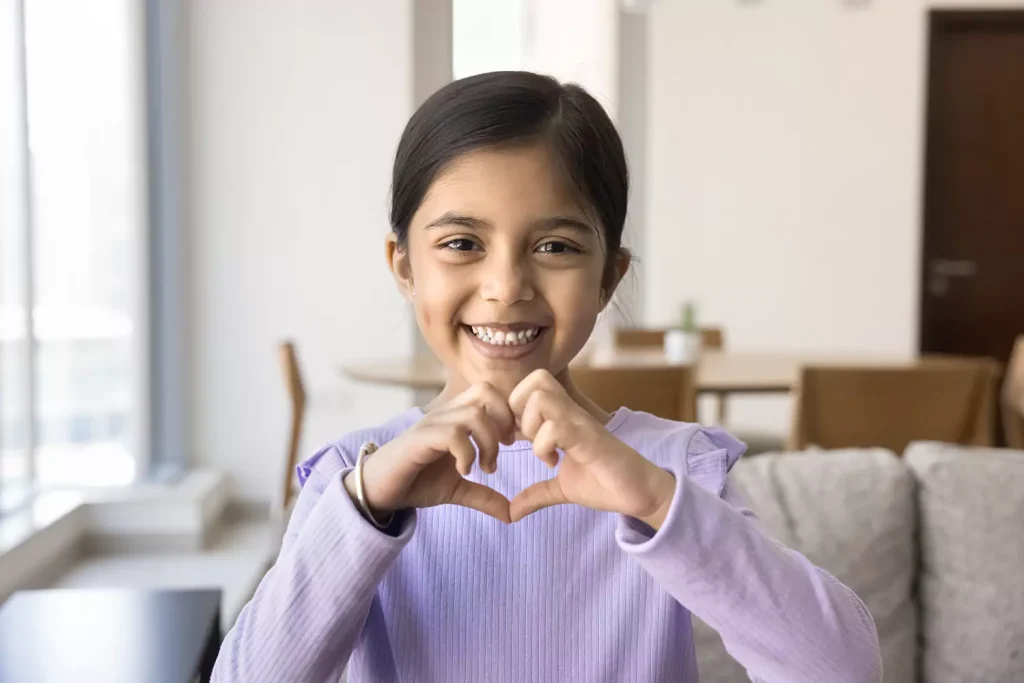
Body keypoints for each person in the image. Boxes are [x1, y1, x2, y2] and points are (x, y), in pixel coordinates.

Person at [212, 71, 882, 683]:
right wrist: (365, 507)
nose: (506, 287)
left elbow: (845, 669)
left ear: (607, 279)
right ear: (404, 267)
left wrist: (653, 499)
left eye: (555, 246)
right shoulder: (354, 479)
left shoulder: (673, 466)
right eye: (461, 243)